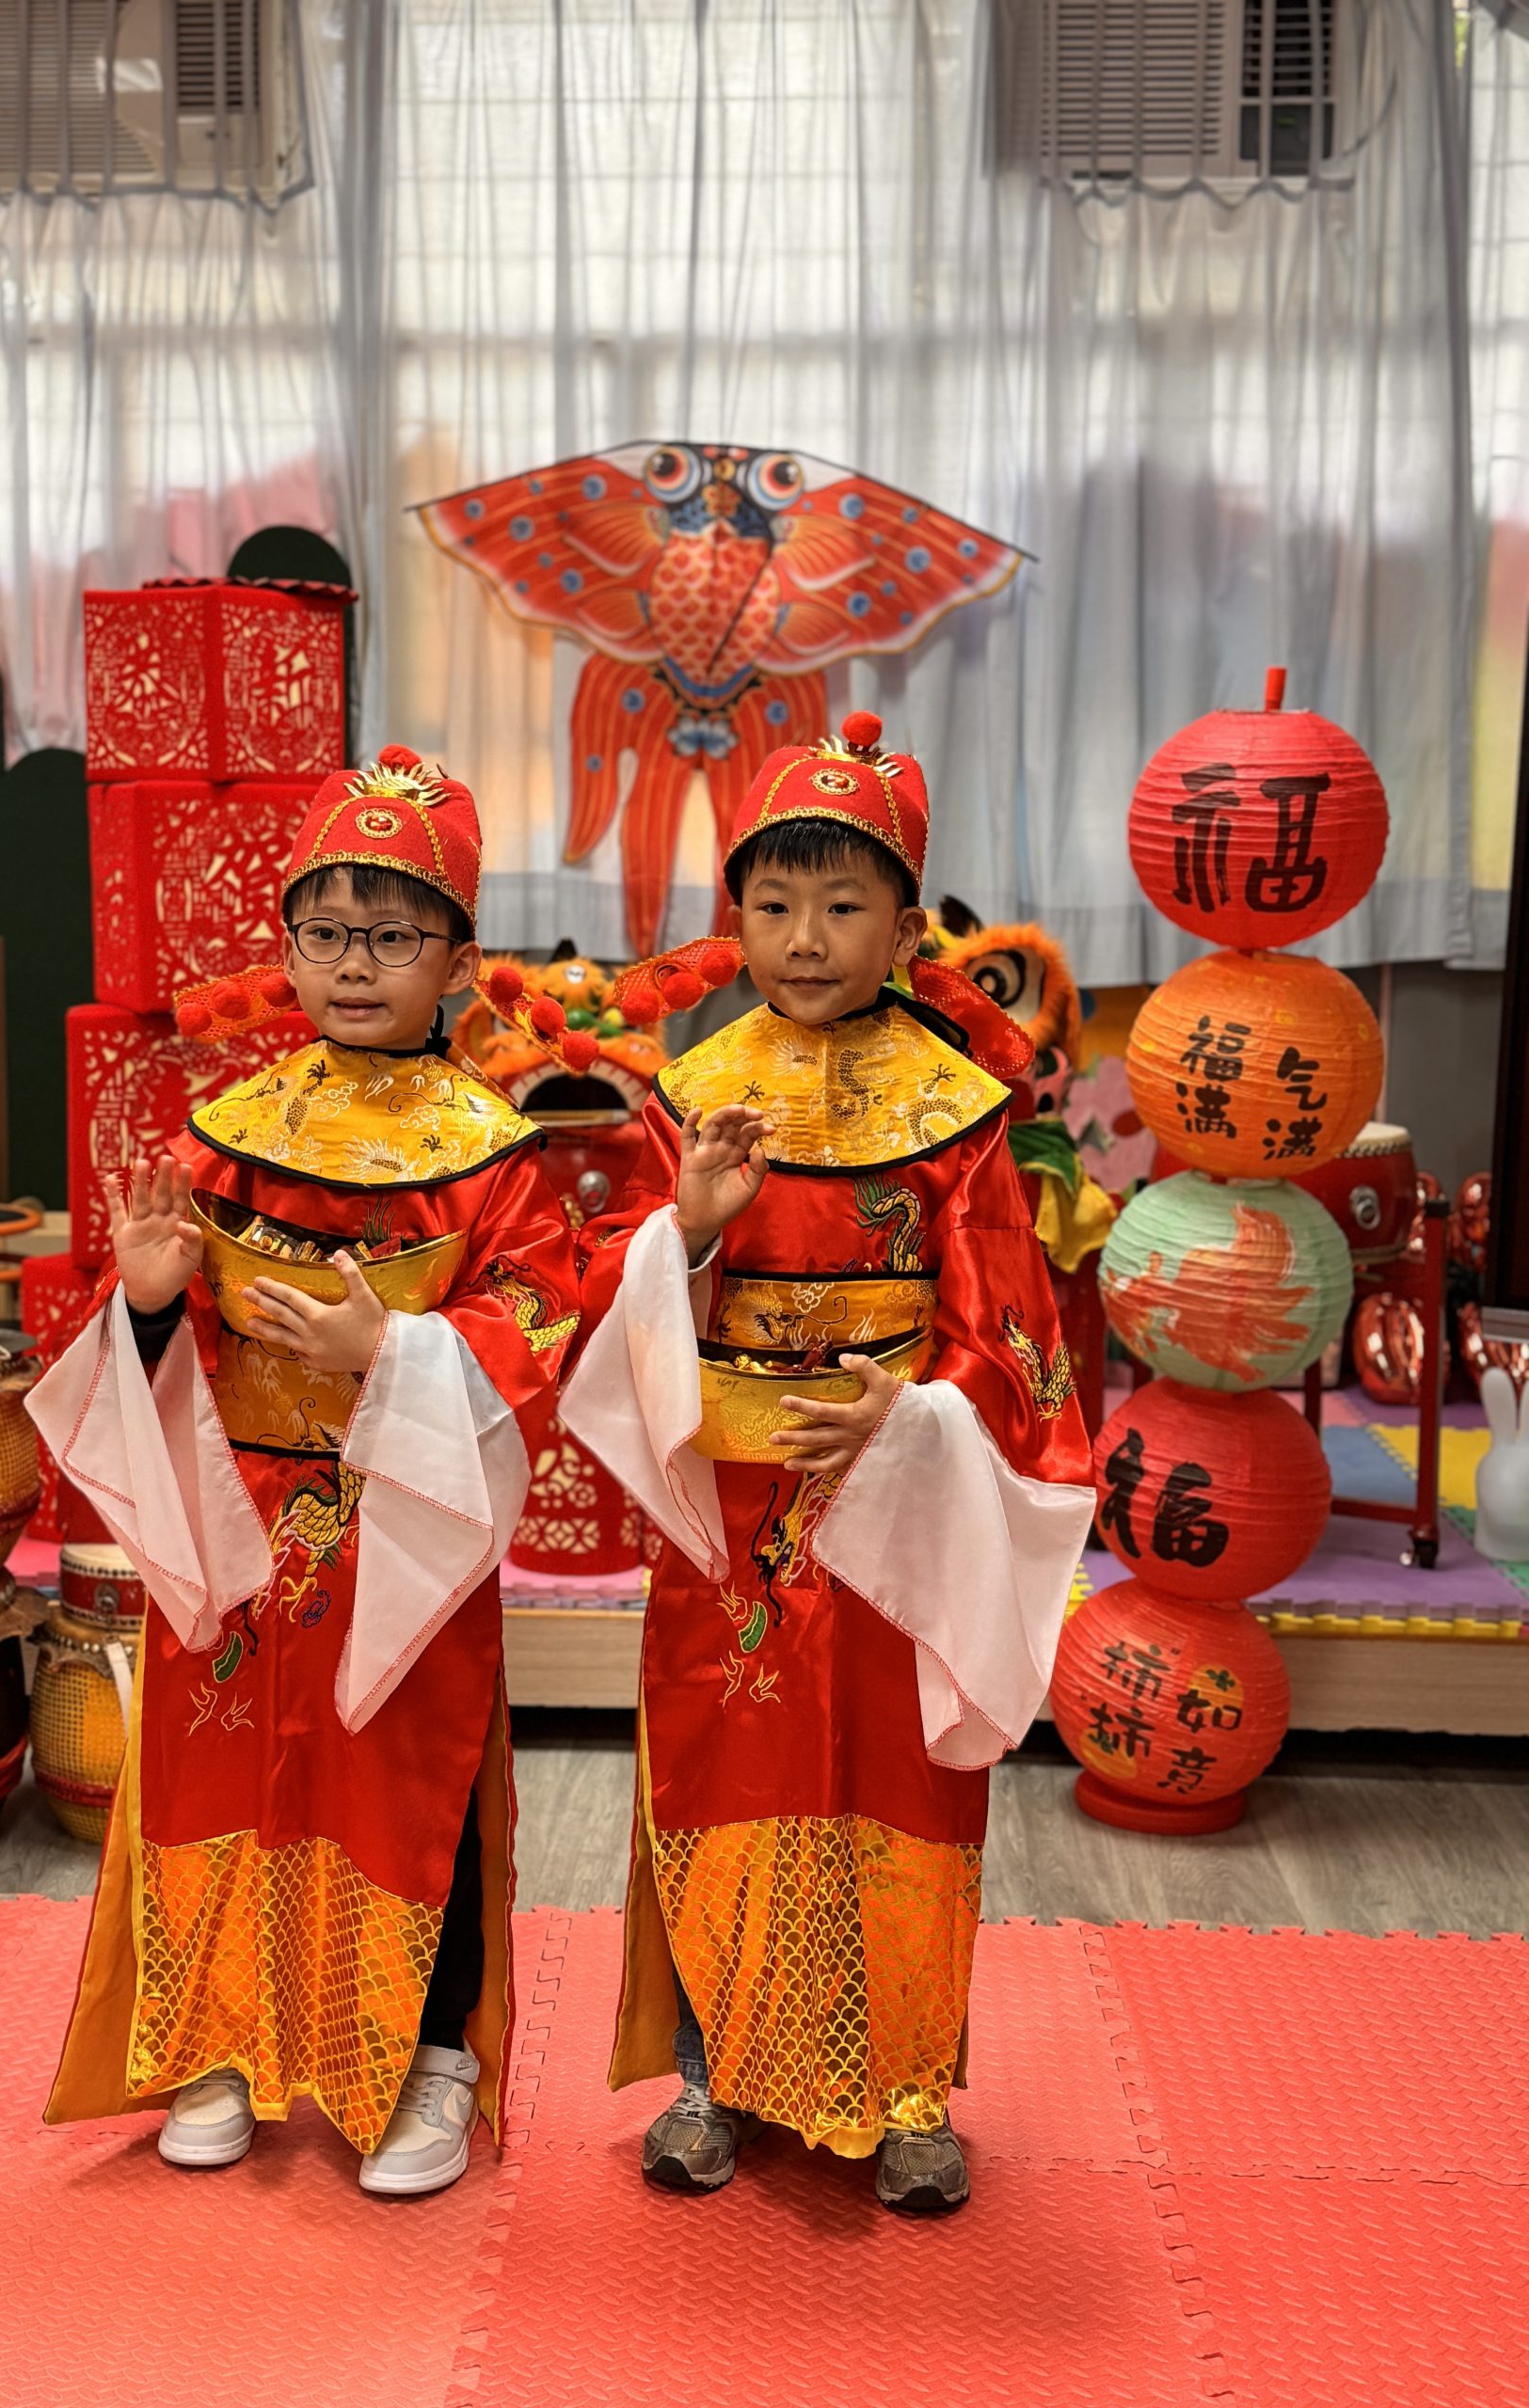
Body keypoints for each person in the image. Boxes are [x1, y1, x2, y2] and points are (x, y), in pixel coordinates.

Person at [563, 710, 1094, 2215]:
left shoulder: (960, 1118)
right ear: (733, 918)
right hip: (731, 1514)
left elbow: (1015, 1336)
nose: (805, 939)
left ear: (907, 931)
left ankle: (910, 2085)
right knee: (724, 1768)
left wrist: (911, 1412)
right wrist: (692, 1229)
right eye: (774, 903)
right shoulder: (692, 1096)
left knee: (901, 1779)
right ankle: (714, 2074)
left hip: (896, 1505)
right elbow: (607, 1304)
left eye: (844, 905)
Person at [29, 746, 578, 2196]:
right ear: (285, 948)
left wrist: (388, 1350)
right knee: (216, 1773)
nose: (354, 963)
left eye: (392, 935)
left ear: (459, 962)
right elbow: (164, 1340)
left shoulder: (495, 1158)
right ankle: (215, 2041)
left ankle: (430, 2059)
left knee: (408, 1780)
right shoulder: (230, 1136)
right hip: (237, 1517)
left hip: (401, 1518)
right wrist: (152, 1300)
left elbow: (538, 1320)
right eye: (327, 931)